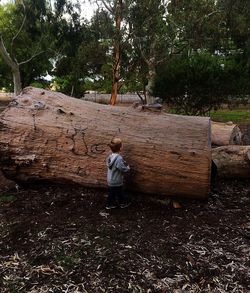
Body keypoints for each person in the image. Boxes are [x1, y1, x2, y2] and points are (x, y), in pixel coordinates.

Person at [106, 137, 130, 210]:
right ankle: (122, 203)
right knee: (119, 193)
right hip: (116, 180)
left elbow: (113, 165)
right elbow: (122, 168)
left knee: (112, 193)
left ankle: (110, 204)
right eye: (122, 145)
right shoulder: (119, 158)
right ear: (120, 148)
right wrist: (128, 168)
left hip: (110, 179)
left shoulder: (110, 156)